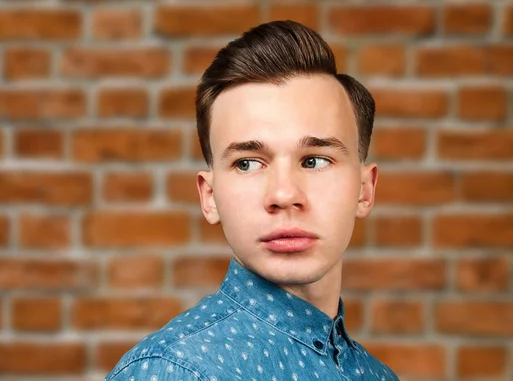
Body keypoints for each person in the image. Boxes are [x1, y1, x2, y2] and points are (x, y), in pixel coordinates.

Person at [105, 20, 398, 381]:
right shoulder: (172, 371)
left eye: (315, 160)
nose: (284, 195)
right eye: (247, 163)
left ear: (364, 190)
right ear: (209, 197)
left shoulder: (377, 376)